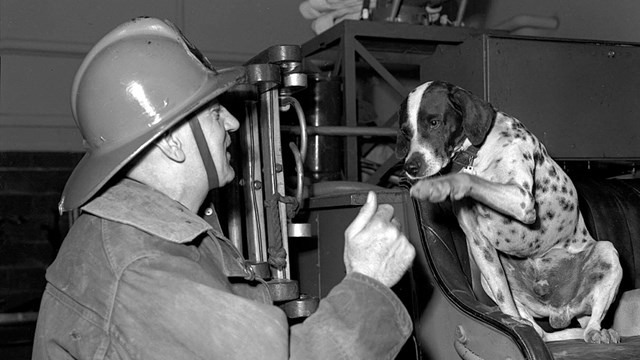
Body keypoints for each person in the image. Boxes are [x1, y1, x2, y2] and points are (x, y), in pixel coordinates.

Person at [32, 17, 416, 359]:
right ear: (171, 141)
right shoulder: (144, 269)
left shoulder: (146, 238)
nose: (233, 123)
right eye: (215, 112)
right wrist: (369, 281)